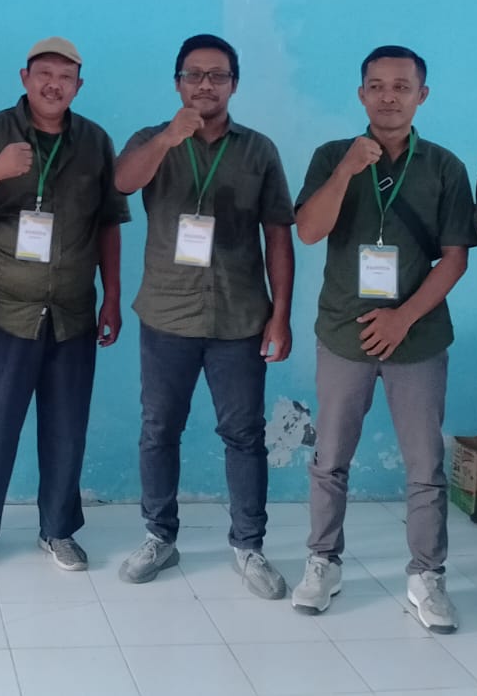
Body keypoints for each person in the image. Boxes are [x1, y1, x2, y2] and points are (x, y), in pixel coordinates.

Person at [290, 46, 476, 631]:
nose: (388, 96)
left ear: (422, 95)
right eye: (377, 85)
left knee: (425, 465)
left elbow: (455, 259)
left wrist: (402, 318)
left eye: (402, 86)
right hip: (343, 333)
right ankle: (323, 561)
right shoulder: (332, 156)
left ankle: (427, 575)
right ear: (361, 94)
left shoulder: (444, 167)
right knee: (330, 458)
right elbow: (309, 230)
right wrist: (346, 170)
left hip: (416, 338)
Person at [112, 34, 295, 600]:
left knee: (244, 435)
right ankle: (159, 537)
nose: (205, 85)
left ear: (234, 85)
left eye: (218, 75)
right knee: (158, 429)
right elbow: (122, 182)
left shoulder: (258, 150)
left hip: (239, 317)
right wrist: (170, 137)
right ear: (177, 84)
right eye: (194, 75)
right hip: (167, 312)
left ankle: (249, 546)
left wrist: (281, 314)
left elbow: (278, 236)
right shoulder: (151, 139)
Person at [0, 37, 128, 572]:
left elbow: (109, 223)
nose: (54, 85)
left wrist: (112, 296)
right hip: (1, 300)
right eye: (44, 73)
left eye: (65, 77)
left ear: (78, 86)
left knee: (67, 426)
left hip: (72, 307)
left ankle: (58, 530)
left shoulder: (94, 141)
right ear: (24, 78)